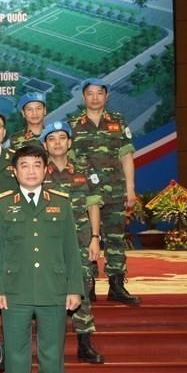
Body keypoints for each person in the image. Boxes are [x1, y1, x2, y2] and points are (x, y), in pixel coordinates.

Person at [0, 145, 83, 373]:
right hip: (14, 291)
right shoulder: (3, 204)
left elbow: (71, 249)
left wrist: (74, 288)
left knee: (51, 354)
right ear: (14, 171)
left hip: (53, 289)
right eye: (24, 165)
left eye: (36, 165)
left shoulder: (62, 203)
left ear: (46, 170)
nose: (31, 170)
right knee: (16, 355)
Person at [69, 79, 141, 306]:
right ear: (83, 97)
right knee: (85, 239)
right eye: (90, 94)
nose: (95, 98)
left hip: (114, 190)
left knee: (115, 238)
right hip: (85, 192)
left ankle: (117, 285)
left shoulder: (117, 122)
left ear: (106, 96)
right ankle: (87, 285)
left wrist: (130, 189)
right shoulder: (73, 123)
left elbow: (126, 156)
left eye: (99, 93)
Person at [41, 121, 105, 364]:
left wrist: (95, 238)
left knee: (81, 288)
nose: (57, 143)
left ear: (69, 142)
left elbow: (93, 204)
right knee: (49, 289)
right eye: (51, 138)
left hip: (79, 239)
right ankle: (51, 345)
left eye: (61, 138)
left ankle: (85, 343)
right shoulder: (38, 171)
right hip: (48, 242)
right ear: (45, 144)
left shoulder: (83, 167)